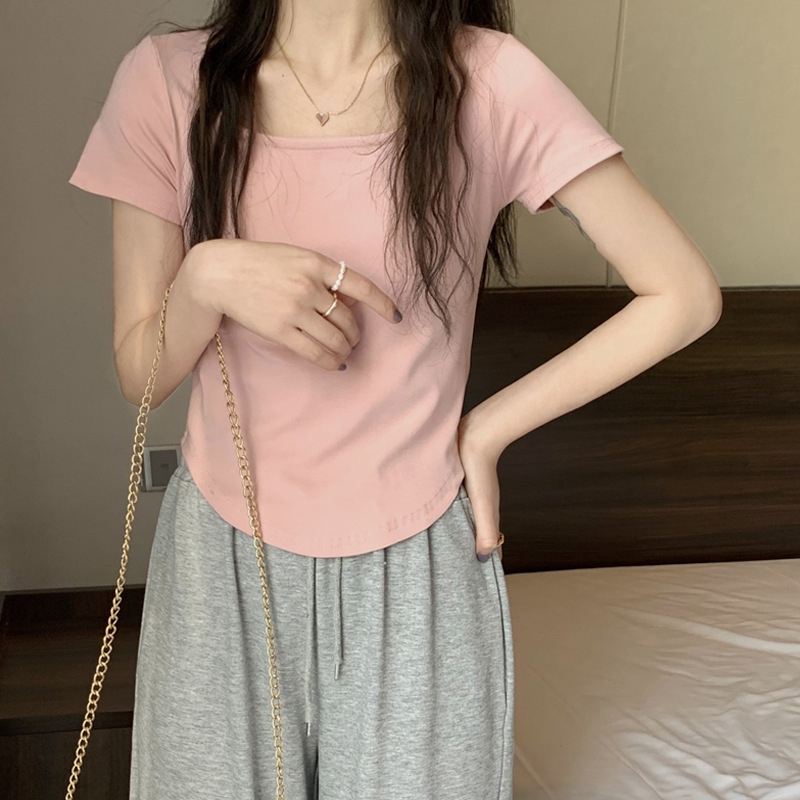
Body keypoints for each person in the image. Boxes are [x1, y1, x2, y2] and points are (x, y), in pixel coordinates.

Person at [67, 1, 721, 798]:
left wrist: (487, 431)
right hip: (222, 560)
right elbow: (140, 373)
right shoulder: (168, 82)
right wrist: (205, 278)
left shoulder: (491, 81)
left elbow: (683, 294)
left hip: (418, 565)